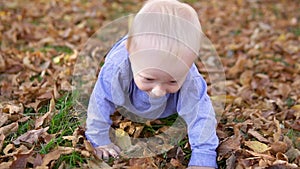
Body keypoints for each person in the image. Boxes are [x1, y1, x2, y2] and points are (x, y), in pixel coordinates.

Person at [85, 0, 219, 168]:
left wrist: (203, 155)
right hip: (128, 85)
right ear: (131, 51)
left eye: (172, 81)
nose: (159, 90)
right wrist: (99, 140)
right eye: (149, 79)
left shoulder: (190, 77)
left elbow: (202, 115)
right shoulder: (116, 68)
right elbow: (100, 100)